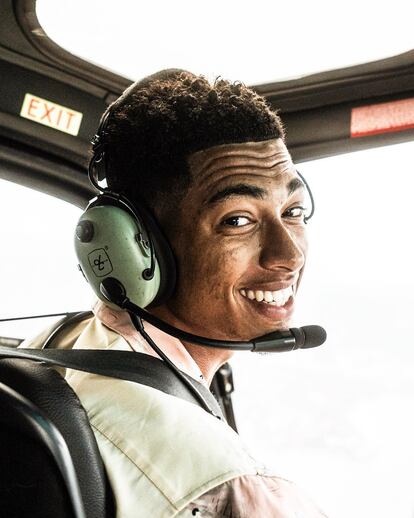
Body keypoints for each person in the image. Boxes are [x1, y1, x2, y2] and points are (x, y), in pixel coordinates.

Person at [24, 69, 327, 517]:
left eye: (294, 210)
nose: (288, 254)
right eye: (237, 220)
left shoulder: (54, 345)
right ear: (133, 244)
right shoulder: (229, 489)